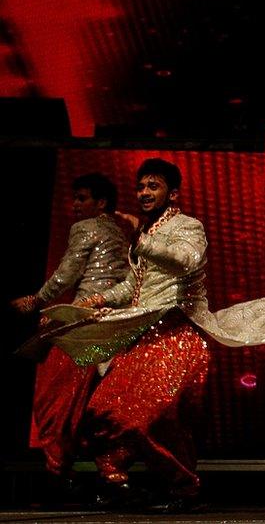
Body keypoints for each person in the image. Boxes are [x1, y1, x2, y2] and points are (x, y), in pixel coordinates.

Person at [50, 158, 265, 512]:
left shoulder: (189, 226)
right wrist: (100, 299)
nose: (144, 192)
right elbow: (135, 284)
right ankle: (117, 481)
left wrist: (139, 241)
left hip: (178, 335)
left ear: (172, 193)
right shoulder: (148, 231)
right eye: (141, 186)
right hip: (145, 335)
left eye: (153, 186)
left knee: (155, 415)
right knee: (104, 408)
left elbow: (187, 261)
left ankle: (183, 488)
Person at [10, 173, 127, 497]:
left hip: (85, 322)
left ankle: (58, 473)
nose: (75, 205)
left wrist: (37, 301)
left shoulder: (85, 228)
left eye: (82, 198)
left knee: (55, 399)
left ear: (100, 203)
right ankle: (109, 473)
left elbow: (67, 273)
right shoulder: (119, 231)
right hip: (114, 323)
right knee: (99, 401)